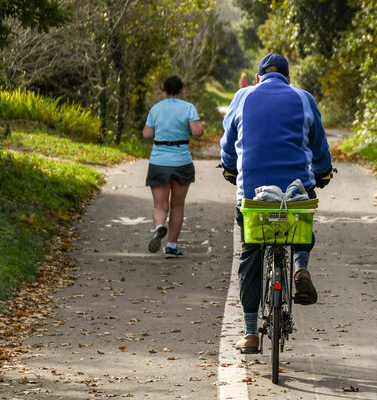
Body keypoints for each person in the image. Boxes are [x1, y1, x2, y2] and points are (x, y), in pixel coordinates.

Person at [220, 54, 334, 353]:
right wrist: (322, 173)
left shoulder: (243, 96)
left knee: (250, 252)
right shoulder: (303, 98)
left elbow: (228, 143)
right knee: (302, 217)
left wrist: (230, 168)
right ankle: (300, 266)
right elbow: (319, 144)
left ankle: (249, 333)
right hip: (294, 192)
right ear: (287, 77)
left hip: (253, 196)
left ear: (258, 77)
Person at [142, 75, 204, 258]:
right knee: (177, 206)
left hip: (159, 162)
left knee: (160, 205)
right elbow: (197, 132)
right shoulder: (188, 108)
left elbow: (146, 134)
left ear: (165, 90)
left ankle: (159, 227)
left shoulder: (156, 108)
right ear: (182, 90)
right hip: (181, 162)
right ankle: (171, 246)